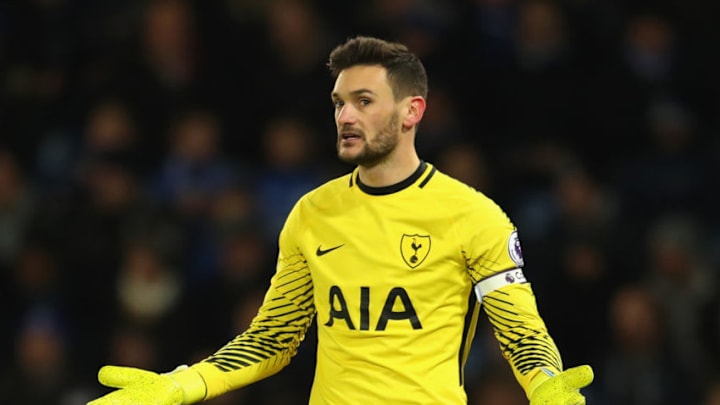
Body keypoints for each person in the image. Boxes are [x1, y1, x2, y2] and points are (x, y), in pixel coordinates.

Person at [87, 35, 593, 405]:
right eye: (338, 104)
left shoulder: (473, 215)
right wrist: (184, 383)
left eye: (363, 102)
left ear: (412, 110)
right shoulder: (312, 213)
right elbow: (273, 338)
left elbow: (521, 333)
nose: (345, 117)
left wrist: (546, 384)